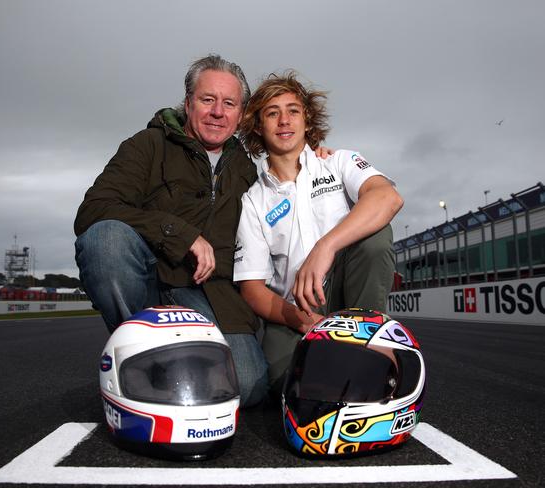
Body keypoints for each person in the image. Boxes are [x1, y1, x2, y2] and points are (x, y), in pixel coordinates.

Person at [73, 54, 269, 407]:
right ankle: (136, 360)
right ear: (188, 102)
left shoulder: (246, 168)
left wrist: (317, 156)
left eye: (229, 103)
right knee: (105, 240)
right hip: (150, 282)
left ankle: (179, 360)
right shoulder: (147, 145)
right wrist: (180, 234)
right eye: (208, 100)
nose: (217, 112)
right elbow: (93, 210)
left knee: (250, 386)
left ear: (241, 113)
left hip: (210, 293)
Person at [233, 72, 404, 394]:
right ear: (258, 125)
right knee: (282, 386)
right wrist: (303, 321)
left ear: (307, 120)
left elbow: (388, 197)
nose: (284, 120)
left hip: (346, 298)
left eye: (293, 110)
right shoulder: (253, 200)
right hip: (294, 312)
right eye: (272, 113)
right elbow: (252, 289)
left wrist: (324, 247)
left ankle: (370, 340)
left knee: (375, 237)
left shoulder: (340, 161)